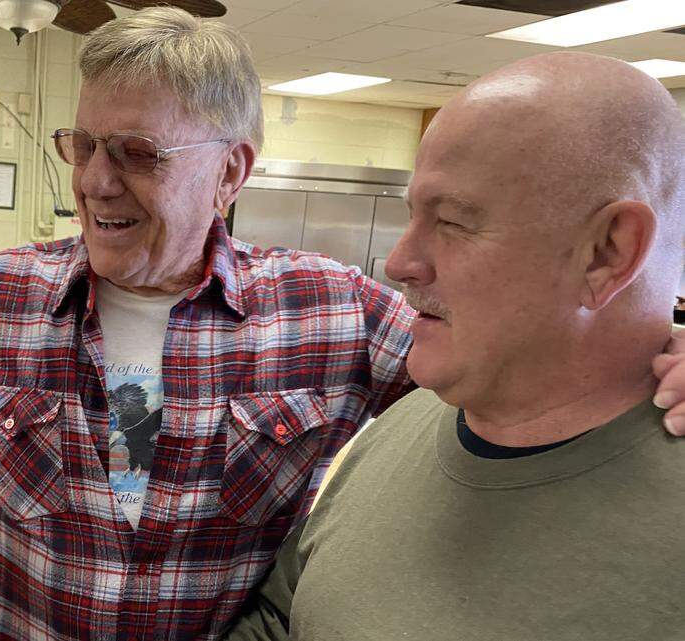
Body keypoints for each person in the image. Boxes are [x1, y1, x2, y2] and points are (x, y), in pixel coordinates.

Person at [225, 51, 685, 641]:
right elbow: (284, 616)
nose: (399, 263)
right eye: (413, 215)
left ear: (608, 253)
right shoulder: (402, 426)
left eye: (455, 222)